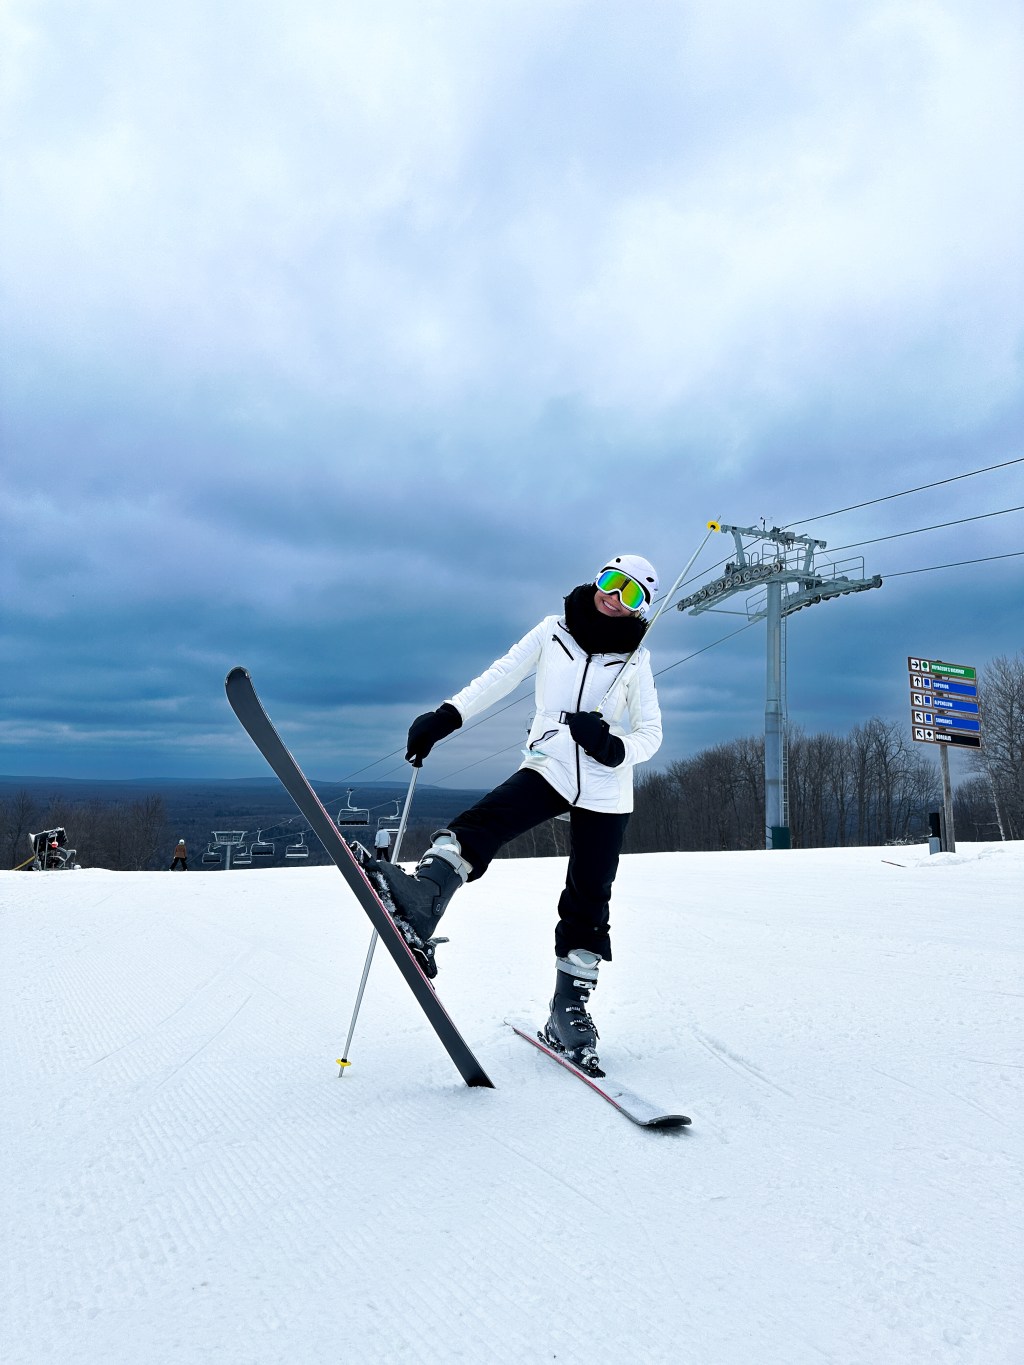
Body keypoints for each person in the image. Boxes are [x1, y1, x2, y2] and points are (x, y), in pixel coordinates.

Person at [370, 554, 663, 1075]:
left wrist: (615, 747)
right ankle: (424, 897)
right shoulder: (554, 632)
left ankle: (567, 1010)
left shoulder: (635, 660)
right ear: (598, 578)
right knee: (485, 822)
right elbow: (500, 676)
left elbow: (650, 733)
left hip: (605, 785)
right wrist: (444, 717)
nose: (615, 597)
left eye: (632, 595)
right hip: (551, 761)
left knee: (590, 897)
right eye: (611, 582)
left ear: (640, 609)